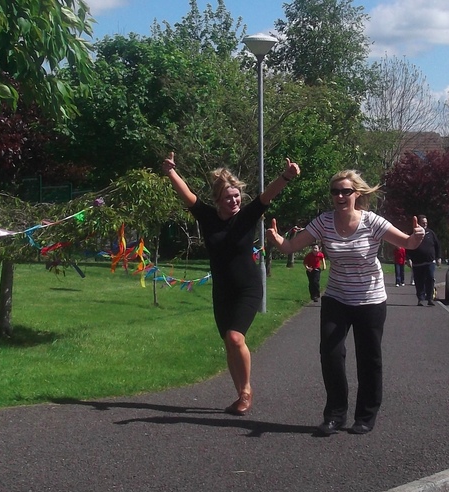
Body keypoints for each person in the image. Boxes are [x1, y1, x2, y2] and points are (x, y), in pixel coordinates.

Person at [266, 170, 425, 436]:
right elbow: (291, 247)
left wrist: (416, 237)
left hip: (370, 300)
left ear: (357, 195)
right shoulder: (324, 222)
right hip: (337, 298)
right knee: (330, 354)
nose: (340, 196)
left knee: (368, 358)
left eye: (345, 191)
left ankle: (365, 416)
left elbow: (407, 242)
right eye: (335, 191)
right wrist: (276, 239)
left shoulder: (372, 222)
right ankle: (335, 415)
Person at [162, 152, 300, 416]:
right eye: (229, 197)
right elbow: (187, 195)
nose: (235, 201)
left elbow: (266, 196)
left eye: (237, 196)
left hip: (248, 287)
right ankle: (239, 394)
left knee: (236, 338)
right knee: (228, 342)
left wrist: (286, 176)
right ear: (218, 201)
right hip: (222, 291)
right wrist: (170, 172)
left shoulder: (247, 216)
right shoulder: (207, 217)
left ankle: (246, 391)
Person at [406, 215, 441, 306]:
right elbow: (408, 247)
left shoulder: (431, 233)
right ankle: (420, 299)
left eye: (426, 222)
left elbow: (437, 246)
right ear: (418, 223)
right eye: (423, 222)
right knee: (419, 281)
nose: (425, 224)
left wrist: (438, 257)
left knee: (430, 278)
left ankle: (430, 298)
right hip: (417, 263)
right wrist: (408, 259)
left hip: (430, 262)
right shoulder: (413, 234)